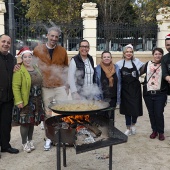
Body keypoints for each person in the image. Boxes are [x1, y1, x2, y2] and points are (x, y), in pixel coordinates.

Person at [33, 26, 69, 151]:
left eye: (56, 37)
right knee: (48, 114)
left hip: (60, 86)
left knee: (63, 111)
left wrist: (67, 83)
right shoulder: (38, 50)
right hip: (45, 86)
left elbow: (65, 68)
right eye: (52, 36)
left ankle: (62, 137)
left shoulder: (62, 51)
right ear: (47, 35)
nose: (54, 39)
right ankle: (49, 137)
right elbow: (30, 64)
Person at [12, 47, 45, 152]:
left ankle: (30, 140)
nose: (27, 59)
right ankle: (24, 142)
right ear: (22, 58)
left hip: (37, 100)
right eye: (25, 57)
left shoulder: (36, 68)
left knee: (32, 121)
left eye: (29, 57)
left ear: (32, 58)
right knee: (25, 122)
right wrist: (19, 101)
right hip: (26, 100)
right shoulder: (19, 70)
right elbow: (15, 87)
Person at [116, 44, 144, 136]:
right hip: (125, 89)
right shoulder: (119, 64)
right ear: (123, 53)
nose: (129, 53)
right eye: (127, 52)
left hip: (135, 89)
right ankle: (128, 128)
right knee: (127, 109)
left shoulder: (137, 62)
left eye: (130, 52)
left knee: (136, 108)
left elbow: (146, 69)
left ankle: (133, 124)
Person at [142, 48, 168, 141]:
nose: (158, 56)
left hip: (160, 93)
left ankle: (161, 132)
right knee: (151, 113)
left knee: (159, 113)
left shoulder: (164, 65)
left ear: (162, 55)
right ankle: (154, 131)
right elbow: (139, 74)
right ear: (153, 54)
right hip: (148, 93)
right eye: (156, 54)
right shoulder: (147, 64)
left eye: (160, 54)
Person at [0, 34, 19, 154]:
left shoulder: (12, 58)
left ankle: (5, 146)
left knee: (6, 124)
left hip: (8, 98)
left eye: (8, 42)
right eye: (3, 41)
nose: (6, 44)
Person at [95, 51, 121, 121]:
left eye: (108, 57)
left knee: (111, 117)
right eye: (104, 57)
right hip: (102, 98)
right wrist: (98, 98)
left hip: (113, 98)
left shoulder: (117, 68)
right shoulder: (97, 69)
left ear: (111, 58)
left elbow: (119, 83)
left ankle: (111, 131)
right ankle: (103, 131)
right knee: (102, 117)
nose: (106, 58)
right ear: (102, 58)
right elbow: (96, 84)